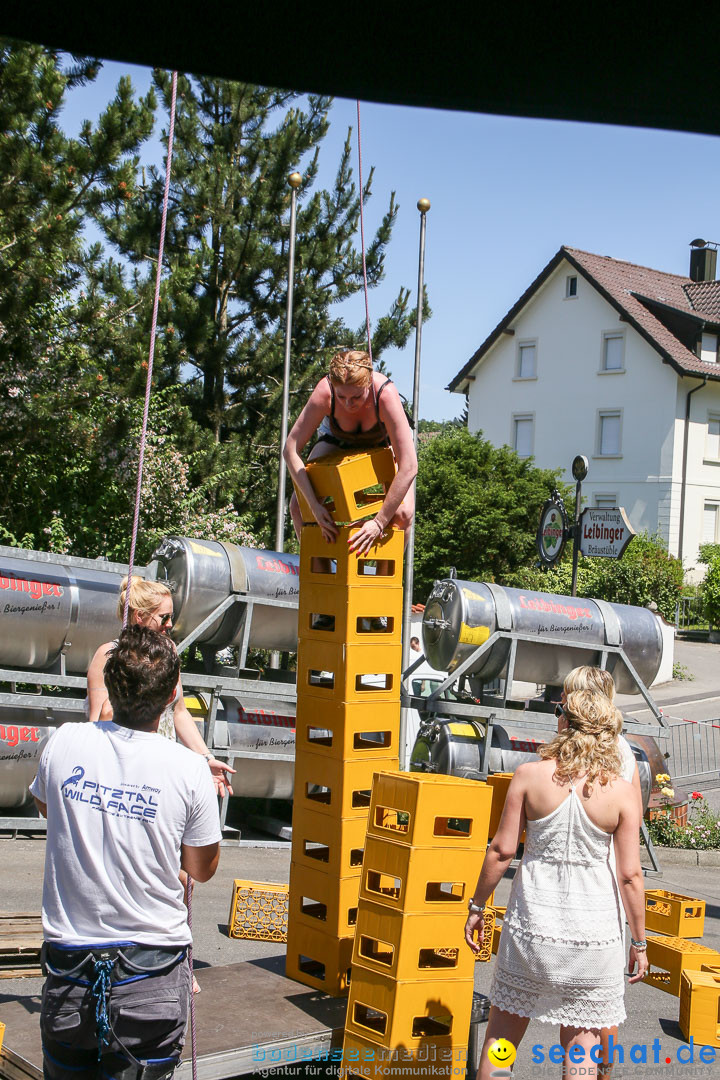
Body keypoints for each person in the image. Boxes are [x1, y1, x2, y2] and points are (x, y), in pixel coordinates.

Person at [31, 626, 221, 1080]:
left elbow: (45, 804)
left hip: (70, 975)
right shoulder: (190, 770)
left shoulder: (64, 742)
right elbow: (202, 868)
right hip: (150, 975)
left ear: (112, 685)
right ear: (173, 693)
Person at [465, 688, 647, 1080]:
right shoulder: (621, 793)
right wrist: (639, 942)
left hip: (532, 931)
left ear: (564, 722)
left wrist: (477, 907)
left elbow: (501, 851)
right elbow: (630, 875)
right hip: (593, 941)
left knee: (501, 1045)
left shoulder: (530, 776)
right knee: (581, 1052)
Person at [87, 576, 234, 797]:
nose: (169, 625)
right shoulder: (108, 654)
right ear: (140, 616)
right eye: (164, 617)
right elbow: (97, 725)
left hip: (162, 767)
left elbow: (179, 711)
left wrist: (206, 758)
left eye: (171, 617)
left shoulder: (169, 651)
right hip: (123, 771)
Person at [283, 348, 417, 556]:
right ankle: (321, 574)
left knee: (403, 512)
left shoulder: (385, 394)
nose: (348, 404)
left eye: (356, 397)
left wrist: (379, 522)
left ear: (368, 383)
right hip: (338, 438)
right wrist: (314, 507)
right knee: (299, 508)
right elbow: (290, 449)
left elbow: (409, 466)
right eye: (341, 396)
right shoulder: (324, 392)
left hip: (383, 440)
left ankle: (386, 580)